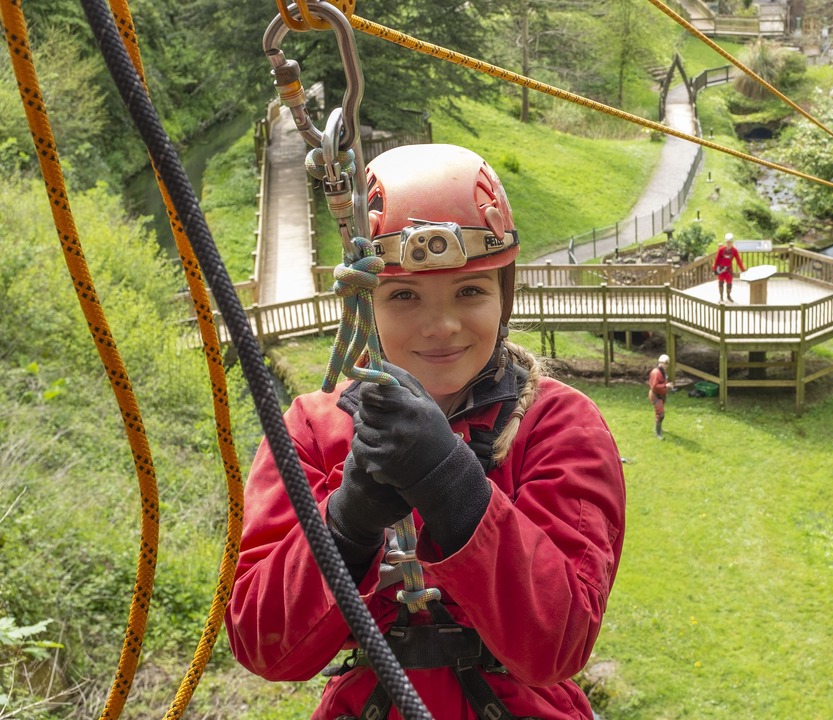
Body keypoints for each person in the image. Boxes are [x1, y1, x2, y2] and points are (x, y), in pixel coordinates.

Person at [226, 144, 627, 720]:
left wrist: (453, 487)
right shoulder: (315, 431)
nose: (440, 326)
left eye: (470, 291)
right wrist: (349, 520)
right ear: (367, 305)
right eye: (404, 296)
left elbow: (558, 644)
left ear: (502, 299)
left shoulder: (558, 428)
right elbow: (263, 646)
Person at [713, 232, 745, 303]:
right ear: (725, 242)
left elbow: (738, 261)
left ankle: (728, 295)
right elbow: (717, 259)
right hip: (721, 269)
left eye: (730, 242)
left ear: (732, 242)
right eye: (727, 242)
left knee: (729, 283)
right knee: (720, 283)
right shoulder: (721, 250)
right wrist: (714, 269)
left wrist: (743, 270)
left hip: (728, 270)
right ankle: (721, 297)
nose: (728, 244)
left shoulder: (734, 251)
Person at [648, 353, 674, 439]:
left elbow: (663, 382)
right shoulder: (656, 372)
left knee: (660, 414)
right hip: (656, 396)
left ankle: (659, 428)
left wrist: (668, 386)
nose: (666, 366)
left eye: (667, 364)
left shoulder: (663, 372)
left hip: (661, 396)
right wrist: (665, 386)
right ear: (661, 363)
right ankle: (658, 432)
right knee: (660, 414)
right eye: (665, 363)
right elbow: (654, 386)